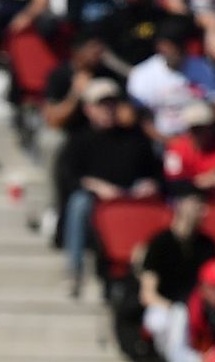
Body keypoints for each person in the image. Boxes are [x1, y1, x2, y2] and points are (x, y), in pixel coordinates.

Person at [57, 79, 163, 295]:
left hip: (129, 201)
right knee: (79, 203)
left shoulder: (135, 138)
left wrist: (149, 184)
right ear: (88, 109)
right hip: (96, 204)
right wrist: (95, 186)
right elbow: (68, 178)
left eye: (112, 103)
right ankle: (74, 271)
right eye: (101, 104)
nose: (108, 109)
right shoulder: (78, 140)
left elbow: (156, 174)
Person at [138, 186, 215, 362]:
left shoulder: (208, 246)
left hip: (196, 313)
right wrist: (176, 308)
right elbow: (147, 294)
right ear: (180, 205)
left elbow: (212, 287)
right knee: (171, 318)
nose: (203, 210)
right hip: (163, 311)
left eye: (203, 204)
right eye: (197, 203)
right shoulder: (160, 243)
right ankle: (185, 360)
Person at [124, 17, 215, 140]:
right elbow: (140, 117)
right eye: (169, 46)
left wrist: (199, 136)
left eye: (178, 46)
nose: (174, 51)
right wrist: (169, 142)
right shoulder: (141, 75)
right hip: (161, 140)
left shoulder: (204, 68)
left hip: (200, 138)